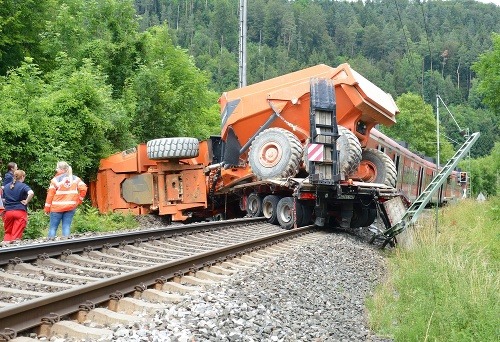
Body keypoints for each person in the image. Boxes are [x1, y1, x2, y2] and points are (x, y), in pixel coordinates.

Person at [44, 161, 87, 238]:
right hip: (70, 207)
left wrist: (47, 208)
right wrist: (79, 200)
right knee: (66, 227)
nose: (56, 169)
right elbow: (84, 189)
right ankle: (66, 247)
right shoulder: (76, 179)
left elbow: (50, 195)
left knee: (53, 228)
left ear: (62, 169)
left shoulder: (55, 180)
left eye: (57, 168)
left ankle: (50, 247)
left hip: (57, 208)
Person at [2, 170, 34, 243]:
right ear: (22, 177)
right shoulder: (23, 186)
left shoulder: (7, 186)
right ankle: (13, 252)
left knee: (8, 232)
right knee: (16, 235)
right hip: (20, 212)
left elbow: (3, 199)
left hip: (8, 212)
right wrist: (26, 201)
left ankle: (5, 250)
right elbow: (31, 193)